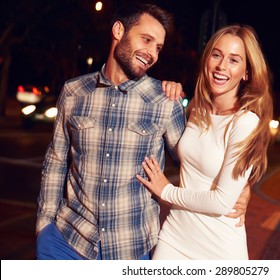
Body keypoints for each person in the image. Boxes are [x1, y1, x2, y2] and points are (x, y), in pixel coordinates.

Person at [35, 2, 249, 260]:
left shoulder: (164, 101)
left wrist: (241, 185)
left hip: (130, 250)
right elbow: (56, 162)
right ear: (118, 31)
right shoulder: (73, 92)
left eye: (158, 47)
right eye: (146, 40)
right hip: (67, 243)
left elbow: (198, 159)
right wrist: (44, 226)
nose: (152, 53)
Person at [137, 24, 273, 259]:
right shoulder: (196, 110)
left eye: (234, 60)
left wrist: (166, 191)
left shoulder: (245, 122)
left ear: (247, 72)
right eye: (217, 55)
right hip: (174, 236)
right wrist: (171, 87)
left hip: (217, 248)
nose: (221, 66)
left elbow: (221, 202)